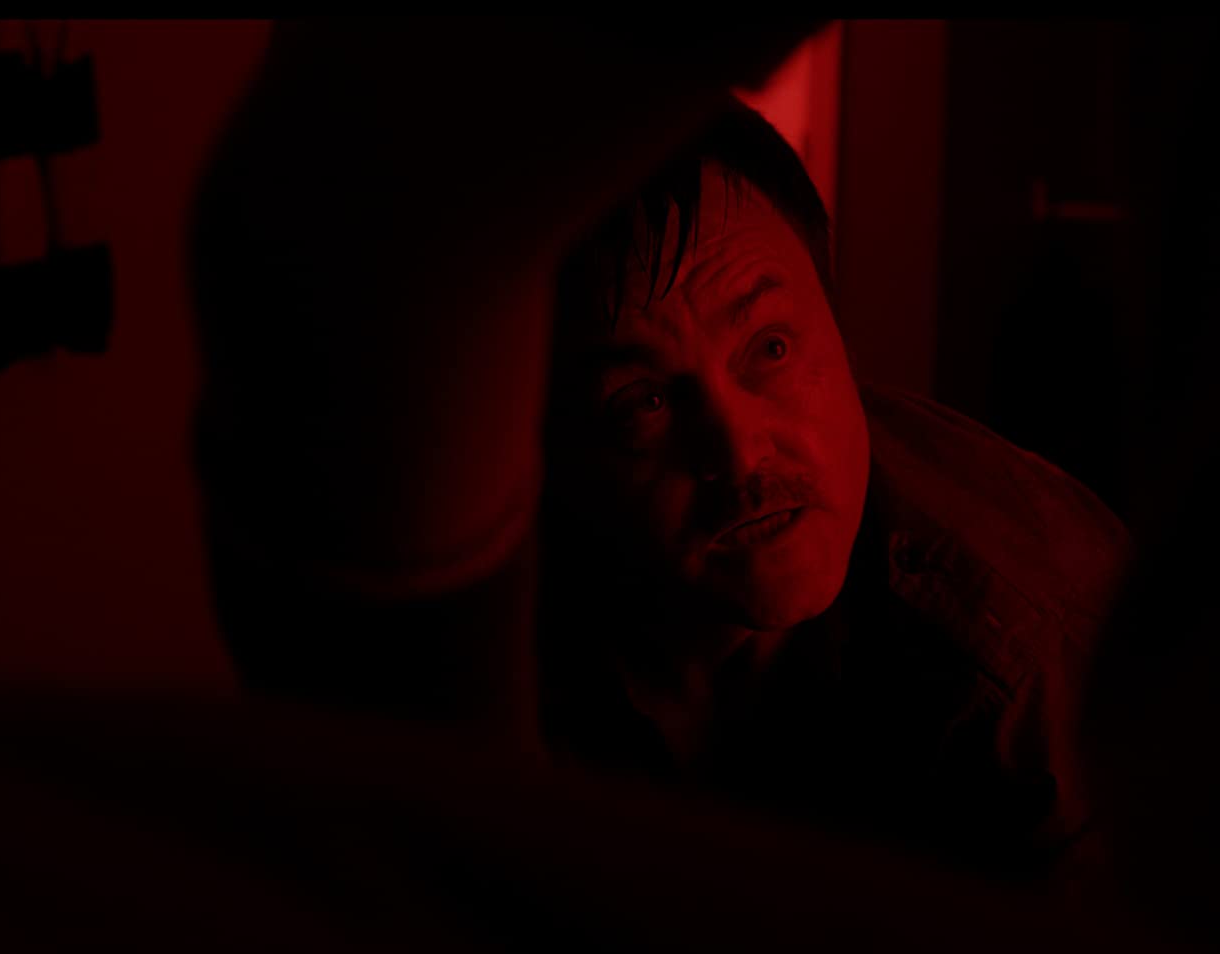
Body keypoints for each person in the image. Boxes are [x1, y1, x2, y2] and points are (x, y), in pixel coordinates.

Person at [190, 21, 1127, 885]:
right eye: (639, 401)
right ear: (541, 438)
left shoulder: (1025, 663)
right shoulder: (487, 551)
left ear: (840, 328)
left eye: (770, 348)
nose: (735, 447)